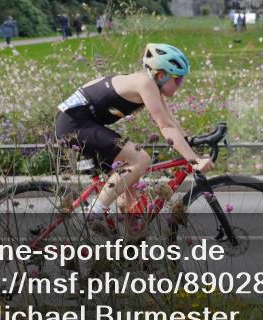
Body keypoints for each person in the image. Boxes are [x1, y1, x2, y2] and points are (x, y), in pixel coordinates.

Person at [54, 43, 213, 217]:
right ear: (161, 75)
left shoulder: (150, 84)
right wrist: (194, 161)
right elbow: (165, 127)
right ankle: (94, 212)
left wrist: (190, 146)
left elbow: (171, 121)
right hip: (74, 125)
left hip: (80, 122)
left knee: (130, 192)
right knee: (140, 158)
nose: (180, 84)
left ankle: (130, 239)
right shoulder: (145, 83)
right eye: (178, 79)